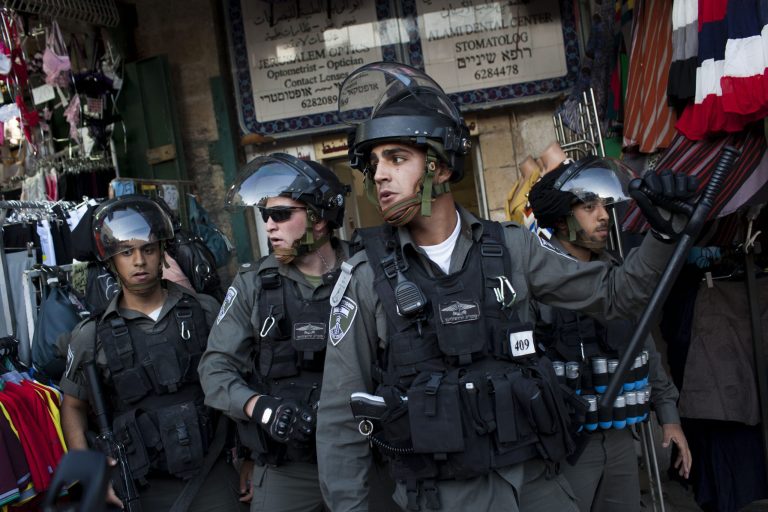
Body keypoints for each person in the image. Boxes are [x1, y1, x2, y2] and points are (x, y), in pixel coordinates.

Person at [316, 61, 698, 512]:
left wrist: (664, 235)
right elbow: (341, 418)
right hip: (443, 497)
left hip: (537, 485)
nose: (379, 174)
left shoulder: (513, 250)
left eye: (397, 158)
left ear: (440, 168)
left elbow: (618, 295)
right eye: (375, 162)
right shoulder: (365, 278)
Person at [527, 157, 692, 511]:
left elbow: (642, 345)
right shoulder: (536, 282)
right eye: (589, 207)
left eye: (604, 205)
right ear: (562, 219)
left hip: (618, 439)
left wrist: (669, 416)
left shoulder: (616, 273)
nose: (603, 215)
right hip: (565, 445)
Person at [59, 195, 241, 511]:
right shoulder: (91, 335)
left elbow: (239, 382)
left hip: (213, 474)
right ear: (111, 261)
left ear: (162, 254)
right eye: (126, 252)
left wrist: (250, 457)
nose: (139, 261)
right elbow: (72, 406)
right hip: (144, 486)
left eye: (147, 249)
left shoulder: (205, 312)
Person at [198, 154, 357, 512]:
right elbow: (214, 370)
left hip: (362, 456)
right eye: (265, 215)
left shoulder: (365, 272)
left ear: (319, 218)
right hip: (290, 468)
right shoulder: (254, 283)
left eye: (282, 214)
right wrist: (261, 408)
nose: (269, 225)